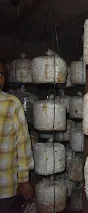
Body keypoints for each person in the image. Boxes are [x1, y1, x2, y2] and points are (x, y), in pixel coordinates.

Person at [0, 61, 34, 212]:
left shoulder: (12, 104)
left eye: (0, 74)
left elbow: (23, 144)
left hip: (5, 186)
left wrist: (24, 180)